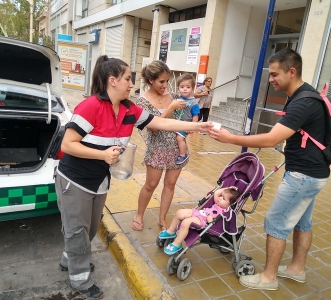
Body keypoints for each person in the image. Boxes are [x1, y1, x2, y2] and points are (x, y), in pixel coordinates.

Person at [55, 56, 212, 299]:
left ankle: (71, 258)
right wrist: (102, 154)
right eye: (128, 79)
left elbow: (160, 122)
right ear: (112, 81)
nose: (131, 84)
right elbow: (68, 144)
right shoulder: (91, 107)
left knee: (89, 228)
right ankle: (80, 279)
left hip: (99, 180)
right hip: (74, 180)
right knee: (77, 230)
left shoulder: (129, 109)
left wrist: (199, 127)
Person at [209, 48, 330, 291]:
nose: (271, 79)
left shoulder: (303, 102)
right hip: (313, 173)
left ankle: (268, 278)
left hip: (303, 176)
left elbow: (271, 139)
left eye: (275, 74)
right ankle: (296, 269)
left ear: (291, 71)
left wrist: (231, 138)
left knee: (275, 223)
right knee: (302, 223)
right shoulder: (304, 95)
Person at [133, 61, 190, 231]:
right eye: (161, 82)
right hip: (157, 148)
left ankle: (162, 218)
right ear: (151, 80)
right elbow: (154, 126)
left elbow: (183, 117)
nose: (165, 86)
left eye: (167, 81)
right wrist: (170, 107)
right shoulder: (142, 101)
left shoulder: (173, 96)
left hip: (177, 148)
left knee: (170, 185)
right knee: (151, 184)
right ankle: (139, 214)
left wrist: (189, 126)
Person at [158, 186, 241, 255]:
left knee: (186, 222)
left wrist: (212, 220)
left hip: (203, 220)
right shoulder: (217, 203)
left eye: (223, 198)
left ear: (230, 205)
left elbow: (220, 222)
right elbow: (216, 193)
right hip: (199, 213)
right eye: (221, 196)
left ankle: (177, 244)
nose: (220, 198)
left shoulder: (225, 212)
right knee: (179, 212)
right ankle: (171, 232)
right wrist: (227, 189)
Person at [175, 73, 200, 165]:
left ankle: (183, 155)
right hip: (176, 123)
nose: (185, 89)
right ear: (178, 89)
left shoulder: (194, 103)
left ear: (193, 89)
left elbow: (195, 116)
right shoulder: (178, 99)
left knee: (179, 138)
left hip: (186, 125)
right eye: (182, 87)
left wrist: (192, 127)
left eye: (188, 87)